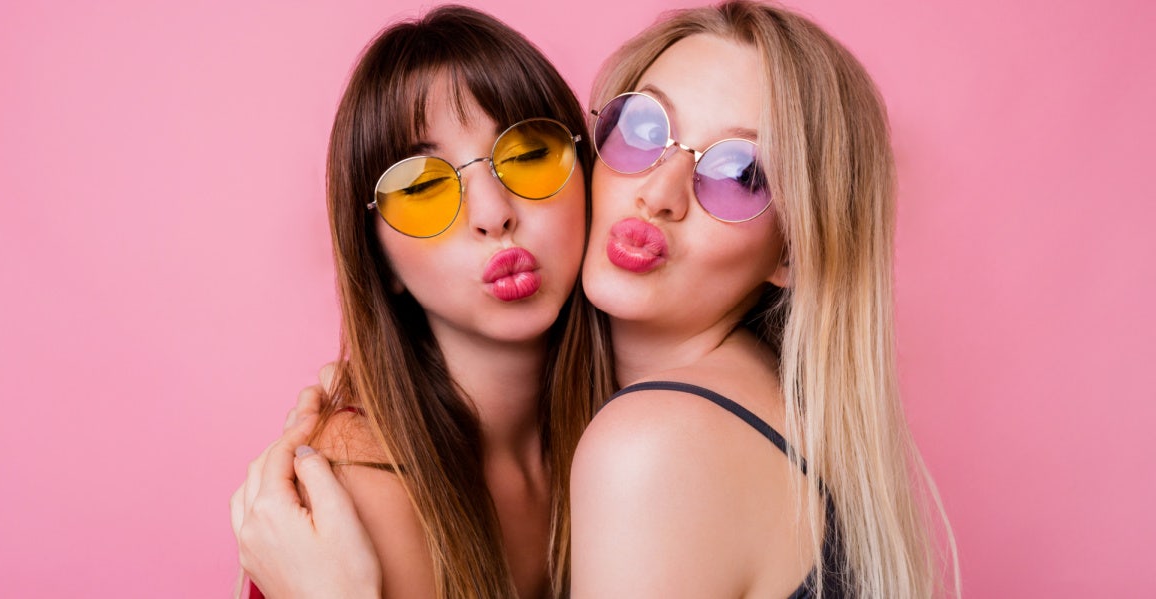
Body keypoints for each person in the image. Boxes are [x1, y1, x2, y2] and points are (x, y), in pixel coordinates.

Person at [233, 2, 958, 597]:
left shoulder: (648, 444)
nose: (661, 193)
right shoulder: (356, 491)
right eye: (645, 130)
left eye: (741, 173)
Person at [230, 6, 612, 598]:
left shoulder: (623, 428)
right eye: (424, 186)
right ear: (379, 260)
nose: (493, 213)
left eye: (530, 154)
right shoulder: (361, 489)